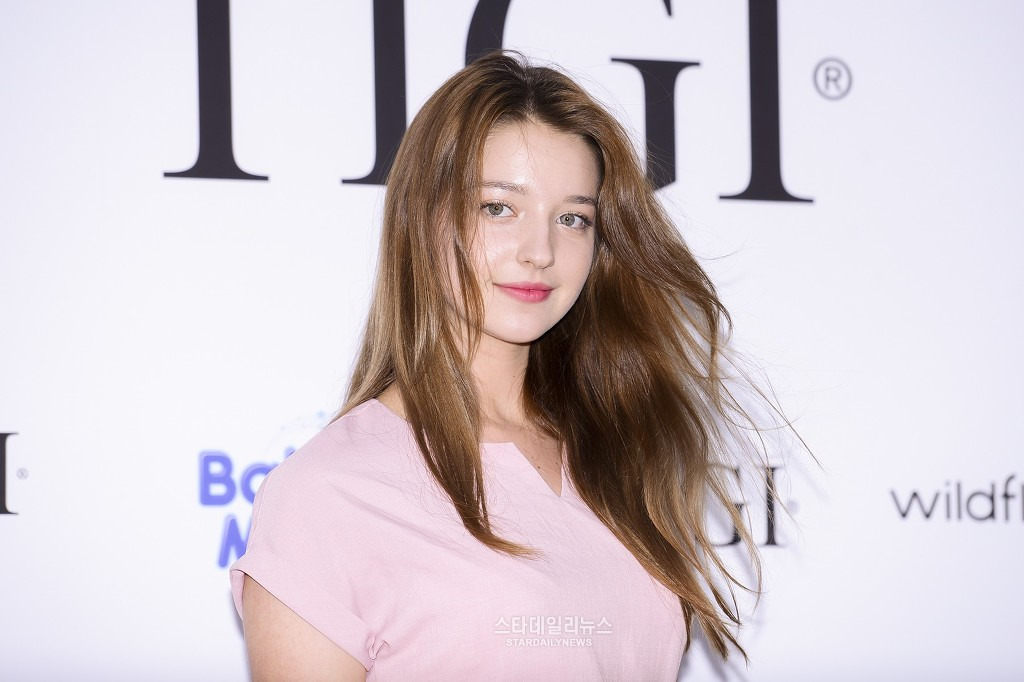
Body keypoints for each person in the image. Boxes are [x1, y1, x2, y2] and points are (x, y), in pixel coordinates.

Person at [230, 50, 770, 680]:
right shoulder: (328, 493)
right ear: (423, 217)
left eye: (573, 218)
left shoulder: (617, 455)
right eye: (498, 208)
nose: (540, 251)